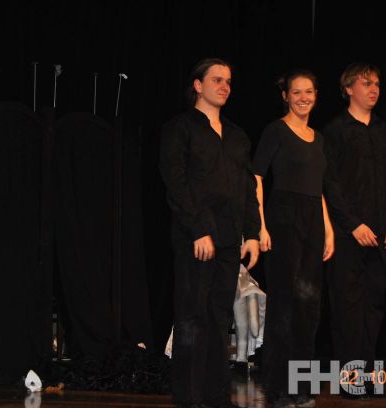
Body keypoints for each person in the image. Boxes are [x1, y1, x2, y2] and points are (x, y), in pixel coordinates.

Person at [159, 58, 260, 408]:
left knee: (220, 318)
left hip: (230, 238)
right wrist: (198, 229)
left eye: (228, 81)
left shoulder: (237, 135)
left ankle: (217, 396)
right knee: (192, 317)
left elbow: (247, 187)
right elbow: (176, 183)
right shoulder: (180, 128)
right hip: (196, 237)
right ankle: (189, 398)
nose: (224, 86)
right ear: (198, 85)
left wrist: (253, 233)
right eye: (217, 80)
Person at [252, 70, 334, 408]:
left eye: (309, 92)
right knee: (284, 306)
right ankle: (278, 388)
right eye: (296, 92)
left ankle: (303, 386)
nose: (303, 98)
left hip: (313, 218)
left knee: (309, 306)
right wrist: (259, 226)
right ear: (285, 95)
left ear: (316, 95)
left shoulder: (319, 138)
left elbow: (319, 188)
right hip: (284, 217)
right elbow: (257, 176)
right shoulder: (276, 131)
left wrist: (328, 228)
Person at [322, 63, 386, 398]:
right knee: (348, 307)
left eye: (377, 84)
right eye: (366, 83)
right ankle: (351, 379)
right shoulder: (335, 130)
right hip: (349, 234)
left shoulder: (383, 129)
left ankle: (371, 377)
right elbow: (330, 184)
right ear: (348, 89)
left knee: (374, 306)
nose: (374, 89)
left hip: (382, 233)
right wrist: (352, 223)